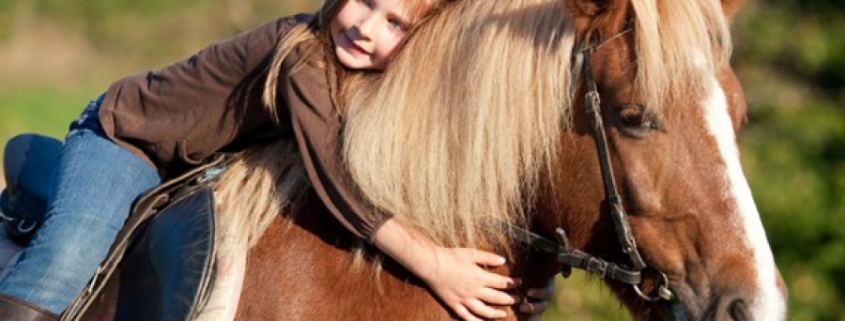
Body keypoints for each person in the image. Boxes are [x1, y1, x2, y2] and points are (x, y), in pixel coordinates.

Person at [0, 0, 552, 320]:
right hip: (127, 140)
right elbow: (339, 177)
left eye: (395, 24)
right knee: (72, 248)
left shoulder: (380, 79)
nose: (366, 27)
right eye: (364, 1)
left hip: (199, 159)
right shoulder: (300, 53)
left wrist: (513, 276)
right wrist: (434, 264)